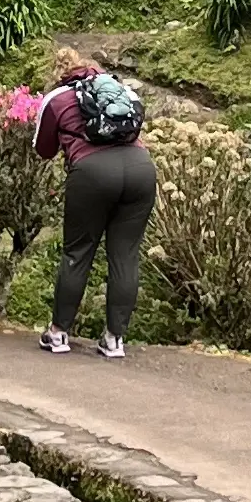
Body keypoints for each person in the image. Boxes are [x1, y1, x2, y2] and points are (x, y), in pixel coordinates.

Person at [32, 47, 156, 361]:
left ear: (59, 73)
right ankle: (114, 340)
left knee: (78, 251)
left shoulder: (57, 98)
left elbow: (43, 149)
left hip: (93, 173)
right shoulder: (121, 90)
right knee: (125, 255)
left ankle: (58, 334)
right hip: (141, 168)